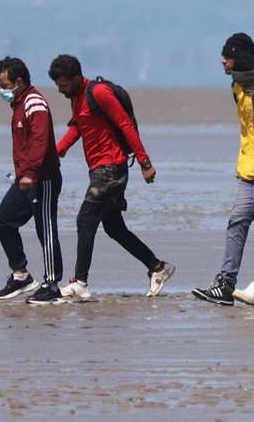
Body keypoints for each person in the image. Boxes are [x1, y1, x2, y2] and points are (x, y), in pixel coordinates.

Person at [50, 54, 175, 301]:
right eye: (58, 85)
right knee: (114, 228)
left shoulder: (98, 93)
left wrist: (145, 162)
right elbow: (79, 126)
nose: (60, 90)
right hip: (98, 169)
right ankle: (158, 267)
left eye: (63, 84)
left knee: (85, 220)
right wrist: (58, 150)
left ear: (76, 78)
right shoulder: (76, 98)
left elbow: (125, 125)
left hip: (111, 168)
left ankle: (80, 282)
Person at [193, 33, 254, 305]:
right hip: (249, 168)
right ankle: (225, 285)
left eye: (226, 57)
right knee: (237, 222)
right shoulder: (236, 85)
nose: (222, 61)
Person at [0, 56, 65, 304]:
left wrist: (32, 172)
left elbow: (40, 140)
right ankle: (21, 275)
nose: (2, 91)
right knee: (3, 221)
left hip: (42, 178)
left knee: (45, 229)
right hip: (24, 178)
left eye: (5, 85)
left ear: (19, 81)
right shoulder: (19, 104)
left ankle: (52, 284)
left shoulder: (34, 103)